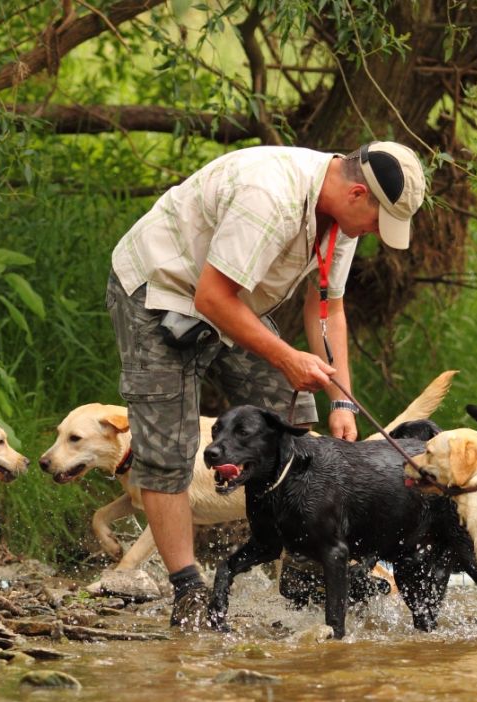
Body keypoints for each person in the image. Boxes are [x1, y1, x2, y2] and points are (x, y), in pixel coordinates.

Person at [105, 141, 426, 629]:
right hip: (161, 292)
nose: (376, 235)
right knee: (168, 447)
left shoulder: (341, 216)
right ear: (358, 193)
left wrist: (342, 399)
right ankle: (189, 593)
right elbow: (212, 297)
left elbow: (326, 308)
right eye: (379, 223)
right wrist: (283, 354)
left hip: (229, 300)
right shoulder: (269, 196)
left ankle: (303, 560)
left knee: (287, 411)